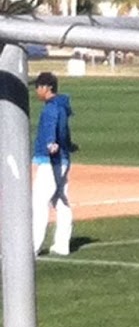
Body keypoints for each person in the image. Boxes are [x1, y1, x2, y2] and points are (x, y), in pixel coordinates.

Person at [31, 70, 76, 258]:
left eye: (38, 87)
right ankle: (62, 245)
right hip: (62, 159)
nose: (36, 91)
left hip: (51, 161)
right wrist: (67, 145)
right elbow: (63, 130)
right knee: (60, 202)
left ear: (47, 87)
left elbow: (51, 126)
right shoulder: (61, 105)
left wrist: (51, 142)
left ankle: (32, 246)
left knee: (39, 202)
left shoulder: (51, 108)